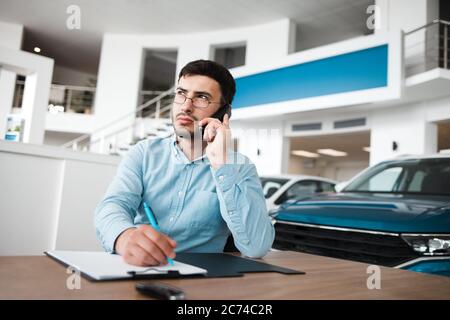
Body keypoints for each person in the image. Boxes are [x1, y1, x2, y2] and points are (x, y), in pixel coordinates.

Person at [94, 59, 274, 266]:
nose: (186, 106)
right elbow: (113, 205)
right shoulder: (144, 153)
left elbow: (257, 246)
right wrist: (125, 238)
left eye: (202, 98)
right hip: (139, 268)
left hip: (201, 278)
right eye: (181, 94)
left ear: (224, 113)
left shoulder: (239, 167)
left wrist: (221, 165)